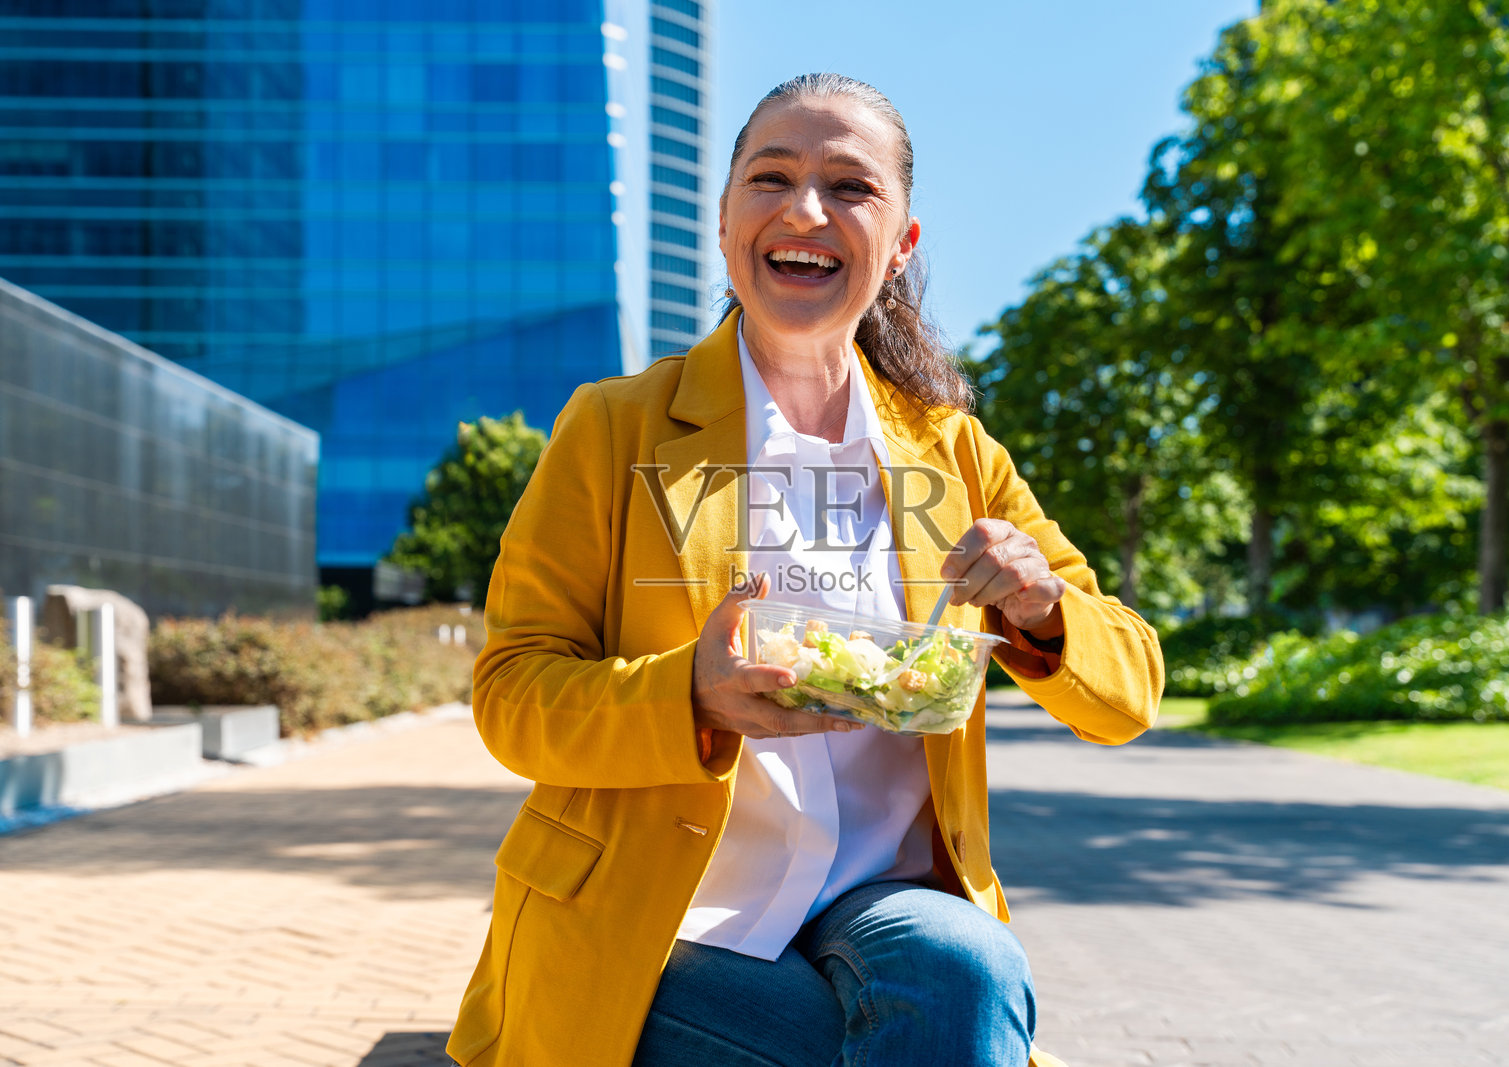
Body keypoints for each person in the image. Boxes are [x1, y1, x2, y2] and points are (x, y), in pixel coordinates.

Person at [447, 73, 1163, 1067]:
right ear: (727, 217)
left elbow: (1129, 689)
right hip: (658, 925)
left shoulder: (956, 457)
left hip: (890, 901)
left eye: (850, 187)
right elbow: (510, 692)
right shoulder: (614, 430)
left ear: (901, 244)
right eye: (771, 177)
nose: (804, 209)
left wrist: (1043, 609)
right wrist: (685, 694)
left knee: (963, 967)